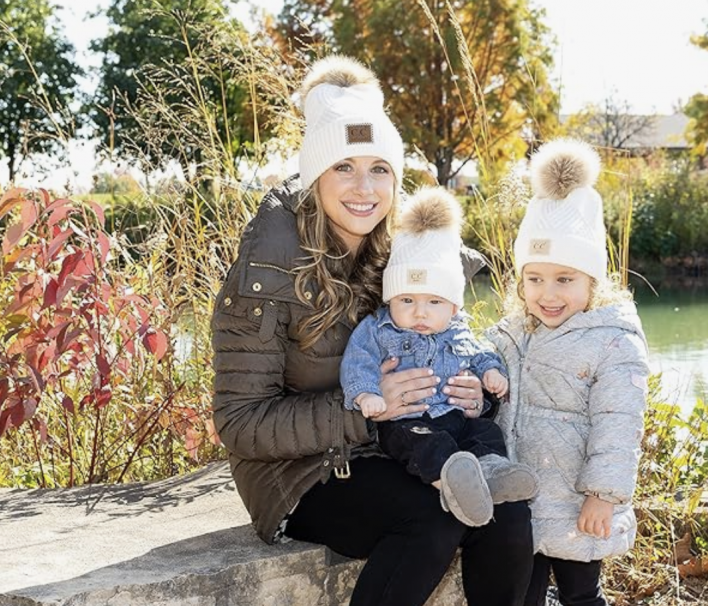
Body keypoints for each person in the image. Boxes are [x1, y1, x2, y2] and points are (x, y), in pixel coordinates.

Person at [210, 55, 534, 606]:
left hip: (401, 443)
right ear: (315, 173)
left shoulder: (404, 250)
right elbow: (239, 424)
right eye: (343, 166)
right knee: (433, 519)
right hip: (299, 471)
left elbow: (449, 336)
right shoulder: (266, 267)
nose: (364, 187)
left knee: (502, 505)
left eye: (379, 168)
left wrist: (471, 392)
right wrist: (363, 408)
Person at [486, 138, 650, 606]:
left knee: (581, 595)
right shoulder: (511, 333)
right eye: (534, 279)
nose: (548, 293)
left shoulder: (612, 339)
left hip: (579, 505)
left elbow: (619, 423)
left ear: (592, 280)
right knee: (525, 594)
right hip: (523, 503)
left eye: (565, 279)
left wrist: (603, 493)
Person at [340, 186, 538, 528]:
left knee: (485, 434)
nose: (420, 312)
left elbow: (480, 352)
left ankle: (492, 471)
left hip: (455, 417)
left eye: (434, 302)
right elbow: (356, 361)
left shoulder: (459, 329)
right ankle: (449, 484)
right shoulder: (378, 328)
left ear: (453, 306)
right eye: (407, 300)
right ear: (390, 300)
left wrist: (491, 373)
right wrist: (365, 393)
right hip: (408, 420)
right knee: (427, 445)